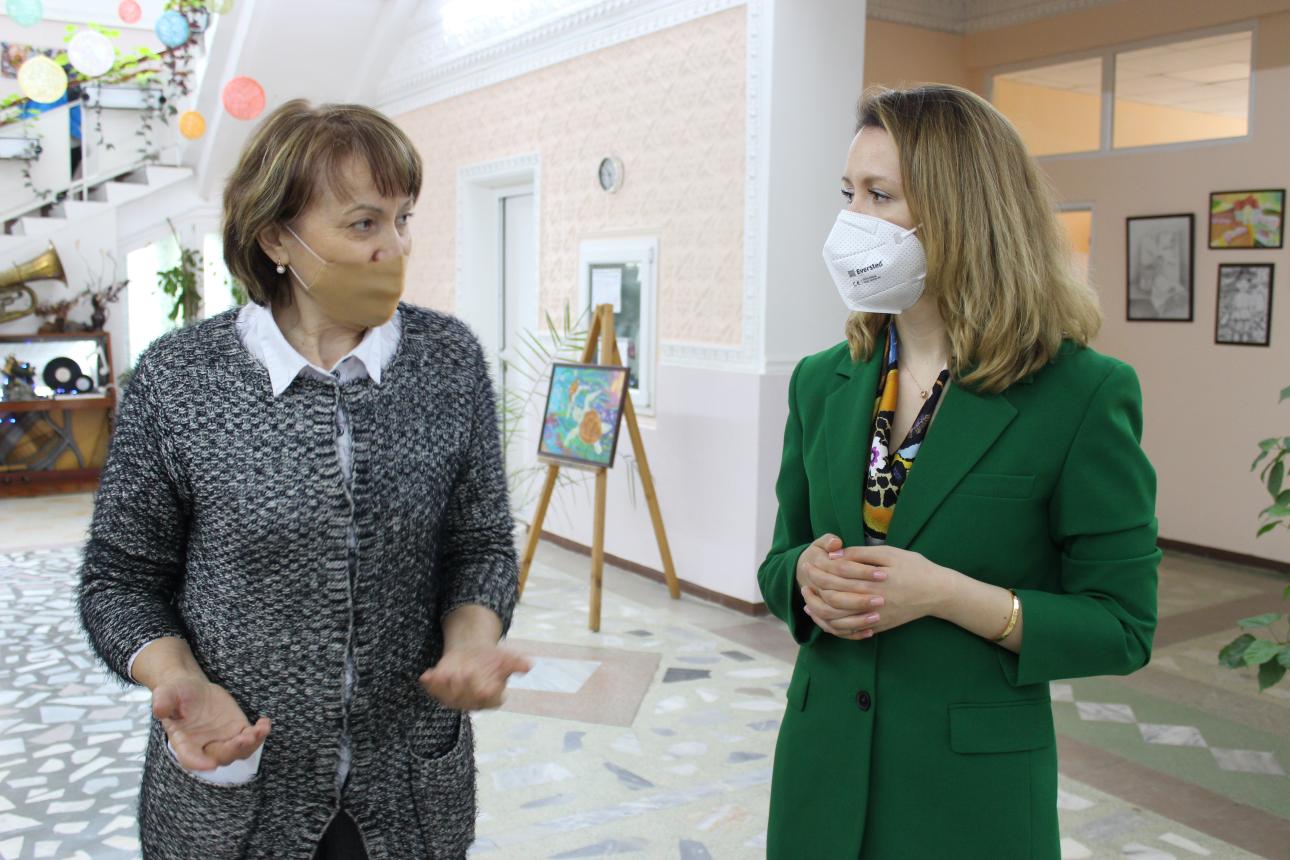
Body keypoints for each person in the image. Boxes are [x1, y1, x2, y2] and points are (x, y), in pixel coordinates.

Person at [78, 99, 531, 860]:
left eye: (403, 219)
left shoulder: (449, 360)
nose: (394, 246)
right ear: (276, 238)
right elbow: (119, 579)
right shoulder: (180, 379)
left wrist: (472, 640)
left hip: (407, 787)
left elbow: (479, 544)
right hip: (233, 781)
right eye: (363, 223)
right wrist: (177, 675)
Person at [758, 85, 1159, 859]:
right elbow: (781, 561)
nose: (851, 221)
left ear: (960, 212)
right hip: (821, 772)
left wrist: (948, 594)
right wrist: (803, 574)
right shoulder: (822, 380)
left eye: (880, 195)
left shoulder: (1080, 393)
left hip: (969, 799)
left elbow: (1122, 626)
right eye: (847, 194)